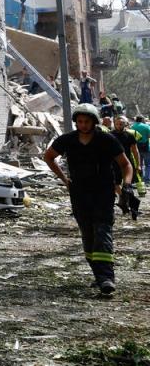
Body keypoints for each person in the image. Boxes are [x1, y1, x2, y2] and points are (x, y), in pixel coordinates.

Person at [43, 103, 133, 295]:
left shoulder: (106, 140)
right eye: (80, 121)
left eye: (87, 121)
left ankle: (106, 278)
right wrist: (64, 179)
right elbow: (49, 157)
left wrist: (126, 185)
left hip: (103, 193)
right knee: (88, 234)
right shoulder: (67, 140)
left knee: (102, 230)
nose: (83, 125)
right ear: (76, 122)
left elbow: (126, 165)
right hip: (79, 194)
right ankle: (98, 275)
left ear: (94, 121)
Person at [133, 115, 150, 184]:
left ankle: (140, 179)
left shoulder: (132, 127)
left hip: (136, 148)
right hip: (146, 147)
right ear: (142, 119)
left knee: (138, 164)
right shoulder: (146, 126)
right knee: (147, 164)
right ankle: (146, 179)